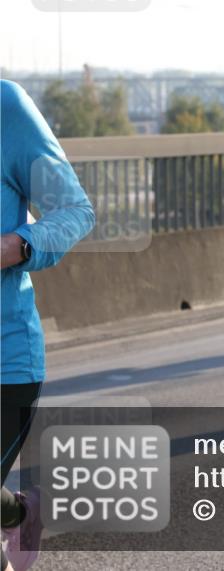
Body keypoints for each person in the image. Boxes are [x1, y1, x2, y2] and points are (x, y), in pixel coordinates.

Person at [1, 79, 95, 571]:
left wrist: (17, 245)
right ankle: (19, 513)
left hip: (5, 358)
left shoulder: (5, 106)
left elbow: (76, 211)